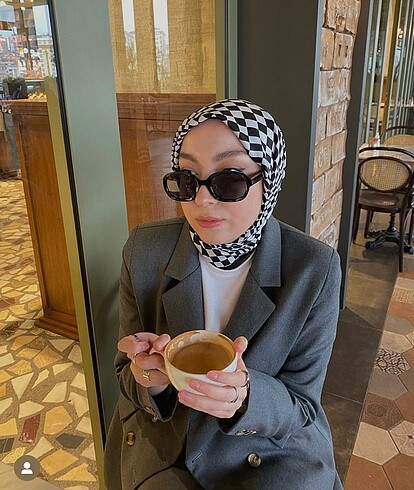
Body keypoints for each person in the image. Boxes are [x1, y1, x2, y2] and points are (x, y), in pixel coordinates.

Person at [104, 99, 343, 489]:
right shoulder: (145, 251)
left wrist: (247, 395)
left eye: (229, 180)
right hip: (167, 441)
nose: (202, 200)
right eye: (187, 180)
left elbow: (302, 405)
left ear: (269, 180)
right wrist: (152, 379)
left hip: (267, 450)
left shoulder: (313, 269)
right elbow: (125, 374)